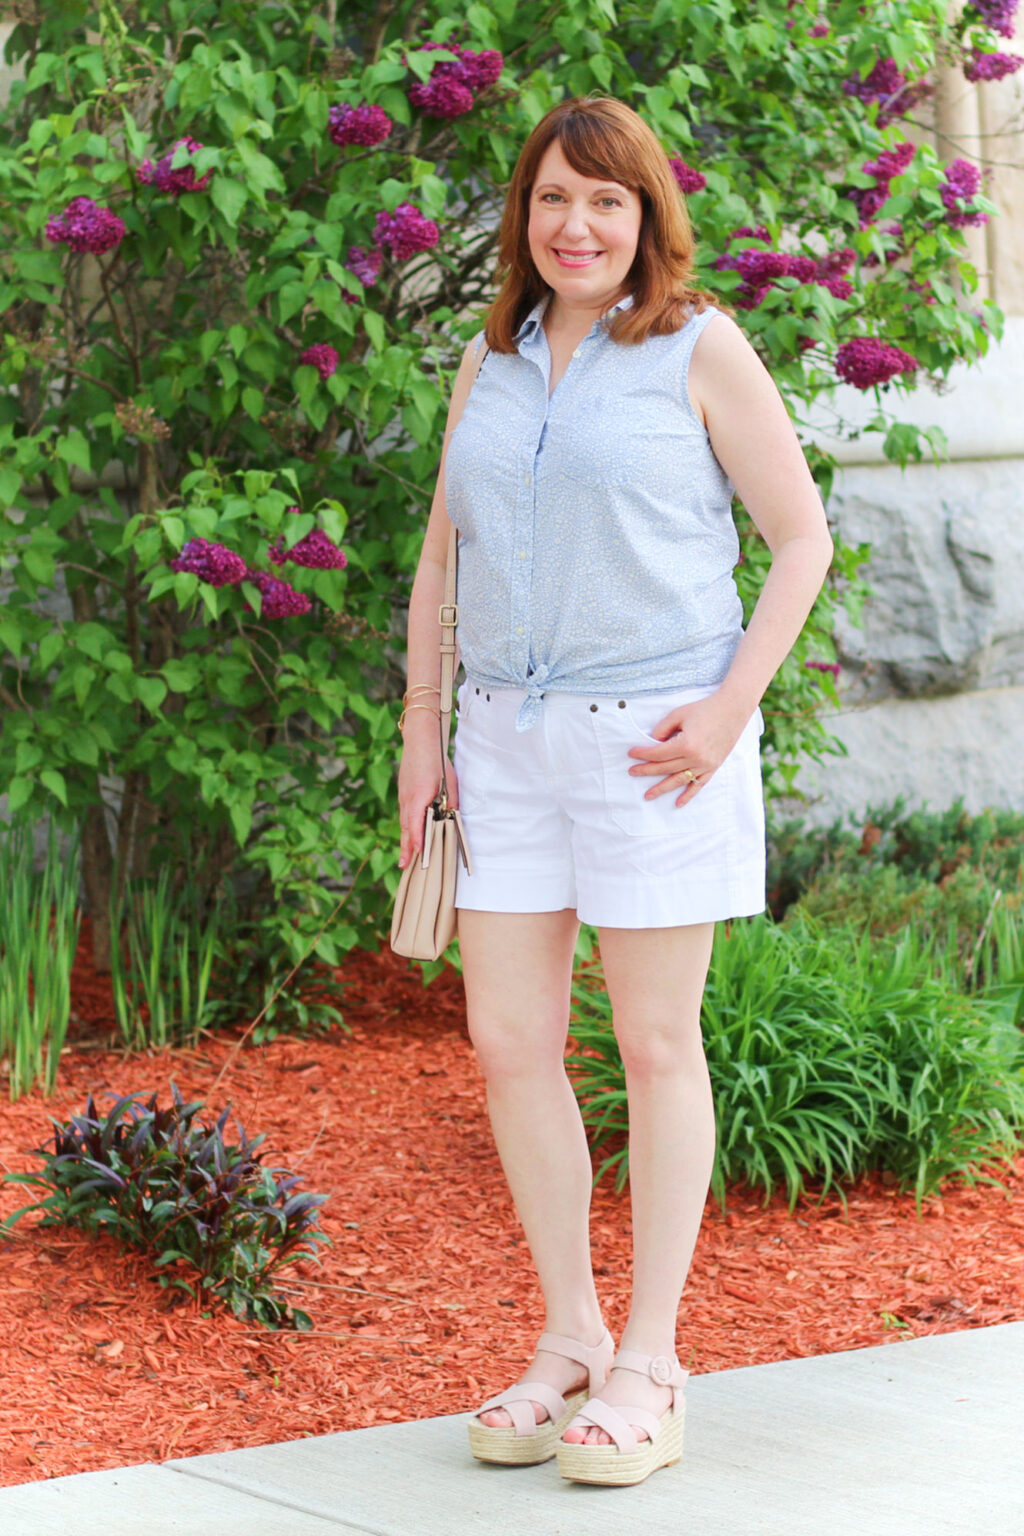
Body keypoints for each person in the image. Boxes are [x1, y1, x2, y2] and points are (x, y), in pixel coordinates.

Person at [396, 96, 833, 1488]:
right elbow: (440, 557)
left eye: (605, 201)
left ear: (646, 218)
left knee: (654, 1048)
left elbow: (802, 536)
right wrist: (422, 739)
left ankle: (651, 1361)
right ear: (523, 220)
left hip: (656, 742)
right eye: (550, 201)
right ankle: (569, 1339)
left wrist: (727, 709)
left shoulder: (700, 347)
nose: (575, 226)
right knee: (509, 1041)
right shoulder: (492, 358)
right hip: (504, 742)